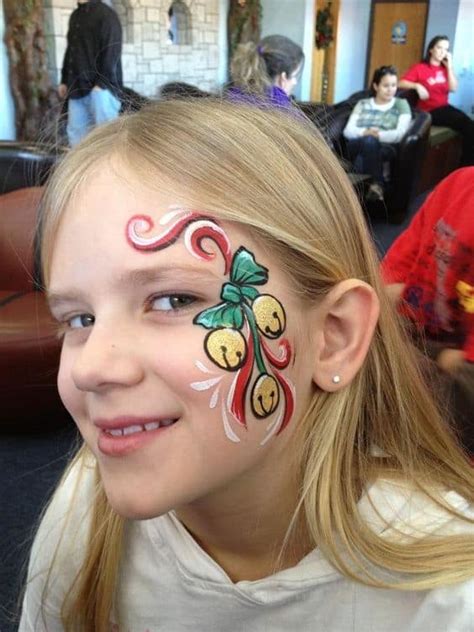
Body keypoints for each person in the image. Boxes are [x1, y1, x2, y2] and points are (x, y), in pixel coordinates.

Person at [20, 100, 474, 631]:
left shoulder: (446, 601)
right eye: (78, 319)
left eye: (172, 301)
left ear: (334, 337)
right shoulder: (84, 510)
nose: (90, 367)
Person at [382, 166, 474, 455]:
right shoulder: (457, 184)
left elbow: (458, 367)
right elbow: (392, 272)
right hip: (423, 325)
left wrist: (458, 361)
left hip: (460, 358)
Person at [399, 35, 474, 166]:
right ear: (431, 50)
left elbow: (453, 88)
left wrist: (450, 67)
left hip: (444, 107)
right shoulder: (420, 68)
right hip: (429, 111)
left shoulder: (445, 69)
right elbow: (401, 83)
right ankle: (465, 166)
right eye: (439, 48)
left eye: (445, 49)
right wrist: (417, 85)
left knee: (468, 124)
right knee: (468, 125)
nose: (442, 52)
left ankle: (466, 164)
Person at [58, 0, 123, 147]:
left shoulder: (107, 15)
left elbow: (112, 50)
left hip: (101, 91)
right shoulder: (75, 15)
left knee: (106, 141)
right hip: (76, 88)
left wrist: (101, 84)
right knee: (76, 139)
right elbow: (71, 50)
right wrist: (64, 80)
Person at [343, 65, 412, 202]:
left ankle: (372, 185)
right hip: (357, 144)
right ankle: (378, 185)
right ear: (376, 86)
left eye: (393, 85)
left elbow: (400, 133)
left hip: (386, 146)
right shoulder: (363, 104)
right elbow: (348, 131)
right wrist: (365, 132)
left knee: (368, 147)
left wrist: (378, 135)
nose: (390, 90)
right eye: (386, 85)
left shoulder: (401, 104)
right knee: (368, 142)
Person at [227, 34, 304, 110]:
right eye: (294, 76)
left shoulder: (233, 97)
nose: (295, 82)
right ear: (282, 78)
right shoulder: (282, 109)